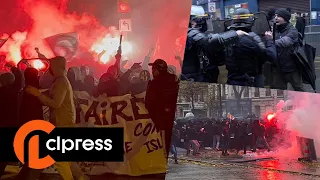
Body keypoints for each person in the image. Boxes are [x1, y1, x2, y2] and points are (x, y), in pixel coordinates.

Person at [25, 56, 88, 180]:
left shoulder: (61, 81)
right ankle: (81, 177)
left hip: (63, 124)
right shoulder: (60, 80)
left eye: (51, 66)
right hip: (64, 123)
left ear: (56, 67)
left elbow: (56, 103)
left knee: (60, 159)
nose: (49, 69)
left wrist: (37, 94)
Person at [182, 15, 249, 83]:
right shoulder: (190, 33)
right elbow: (209, 41)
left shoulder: (186, 33)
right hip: (193, 75)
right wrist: (235, 34)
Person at [225, 8, 277, 87]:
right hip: (248, 82)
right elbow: (271, 56)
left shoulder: (226, 37)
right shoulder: (248, 41)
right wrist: (269, 40)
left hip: (231, 79)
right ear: (250, 21)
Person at [145, 59, 179, 159]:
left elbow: (149, 103)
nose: (152, 71)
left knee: (160, 144)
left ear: (159, 69)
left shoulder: (154, 84)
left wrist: (154, 118)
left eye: (154, 69)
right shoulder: (174, 80)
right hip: (170, 118)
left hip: (159, 121)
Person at [272, 8, 303, 91]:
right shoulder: (274, 29)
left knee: (299, 89)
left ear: (285, 18)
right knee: (279, 91)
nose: (276, 18)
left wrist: (270, 41)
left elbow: (285, 42)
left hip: (292, 67)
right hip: (279, 68)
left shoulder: (292, 30)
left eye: (279, 16)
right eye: (275, 15)